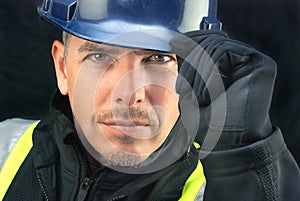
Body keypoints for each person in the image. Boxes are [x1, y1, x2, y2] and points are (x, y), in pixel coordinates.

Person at [0, 0, 299, 200]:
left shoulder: (215, 191)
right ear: (63, 68)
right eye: (99, 56)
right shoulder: (4, 150)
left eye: (157, 58)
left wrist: (249, 163)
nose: (130, 93)